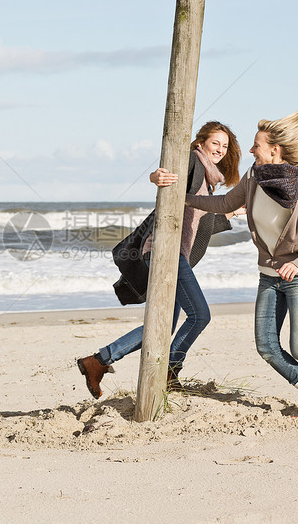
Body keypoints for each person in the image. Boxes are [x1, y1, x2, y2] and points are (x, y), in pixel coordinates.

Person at [184, 105, 298, 419]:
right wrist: (182, 197)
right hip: (268, 277)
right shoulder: (253, 178)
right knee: (267, 347)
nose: (251, 150)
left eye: (256, 145)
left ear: (274, 150)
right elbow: (224, 203)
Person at [77, 121, 244, 399]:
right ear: (200, 142)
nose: (220, 150)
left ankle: (98, 361)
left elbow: (198, 225)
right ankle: (170, 370)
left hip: (173, 255)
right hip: (165, 253)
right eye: (215, 143)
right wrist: (156, 177)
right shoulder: (193, 161)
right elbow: (167, 172)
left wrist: (233, 213)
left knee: (162, 325)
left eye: (225, 146)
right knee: (200, 315)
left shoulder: (208, 180)